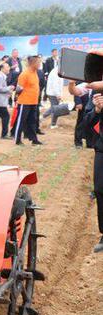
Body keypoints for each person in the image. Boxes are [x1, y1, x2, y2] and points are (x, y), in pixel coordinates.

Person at [83, 72, 102, 252]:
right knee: (100, 189)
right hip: (102, 148)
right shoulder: (97, 94)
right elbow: (86, 123)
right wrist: (97, 110)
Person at [13, 56, 42, 146]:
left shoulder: (35, 73)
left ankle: (34, 139)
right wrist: (16, 98)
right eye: (38, 62)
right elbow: (19, 88)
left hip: (33, 102)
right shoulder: (24, 74)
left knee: (33, 121)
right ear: (32, 63)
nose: (40, 64)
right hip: (24, 102)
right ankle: (17, 140)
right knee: (21, 121)